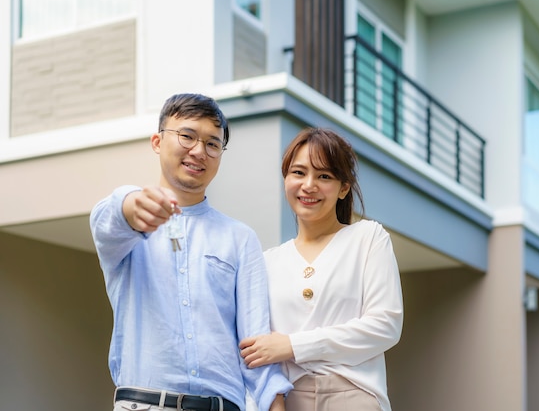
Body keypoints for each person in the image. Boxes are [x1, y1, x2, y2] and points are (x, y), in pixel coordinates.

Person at [90, 93, 292, 411]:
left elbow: (256, 346)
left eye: (213, 144)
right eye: (187, 136)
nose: (199, 151)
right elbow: (108, 218)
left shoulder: (240, 238)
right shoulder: (127, 225)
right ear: (157, 141)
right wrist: (134, 204)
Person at [239, 127, 403, 411]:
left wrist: (293, 346)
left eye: (324, 176)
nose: (309, 185)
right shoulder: (266, 262)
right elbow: (255, 351)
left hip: (355, 395)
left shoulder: (368, 238)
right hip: (289, 399)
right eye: (299, 173)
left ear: (343, 188)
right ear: (286, 180)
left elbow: (385, 325)